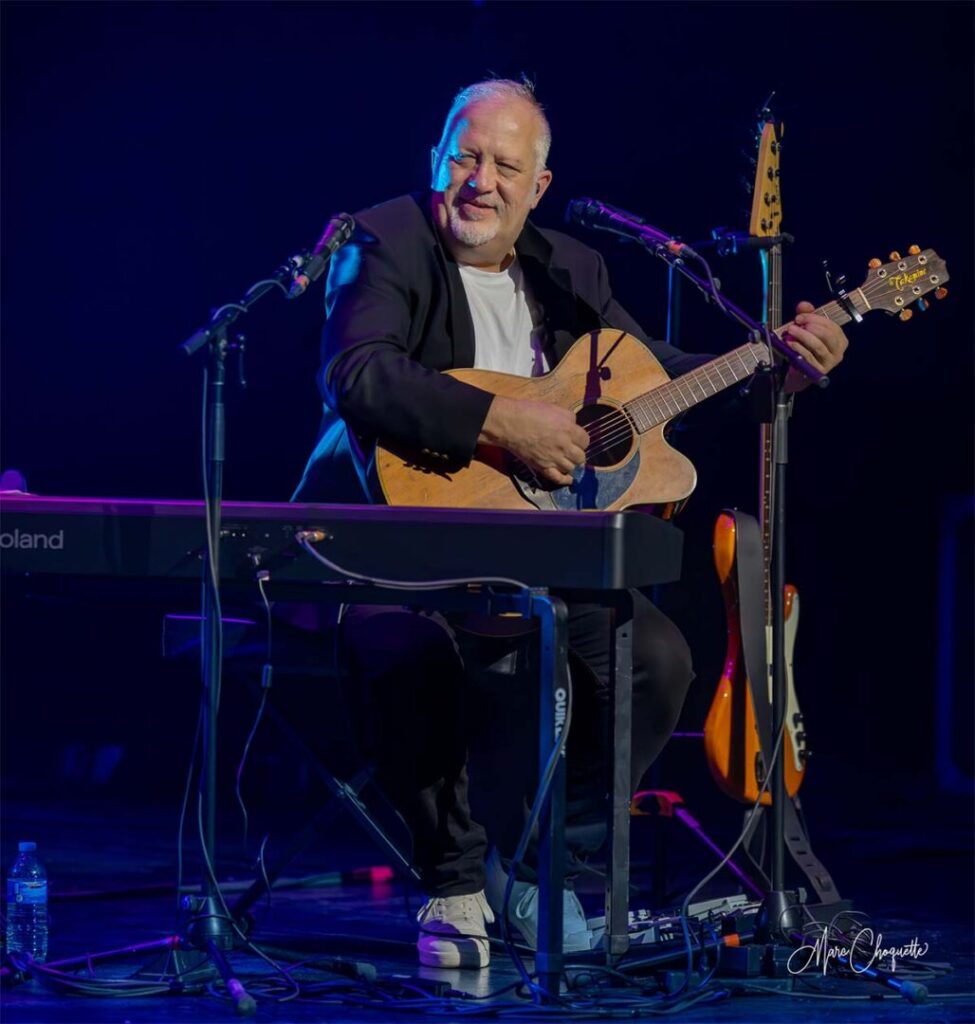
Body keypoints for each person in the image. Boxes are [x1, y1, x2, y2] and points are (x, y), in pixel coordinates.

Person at [293, 78, 848, 969]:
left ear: (538, 185)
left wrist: (772, 366)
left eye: (505, 165)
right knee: (401, 650)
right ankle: (453, 881)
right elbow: (357, 373)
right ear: (436, 158)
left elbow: (653, 375)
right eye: (465, 156)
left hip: (534, 557)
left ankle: (541, 861)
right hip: (388, 546)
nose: (481, 180)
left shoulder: (570, 268)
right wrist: (498, 422)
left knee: (656, 658)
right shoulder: (383, 238)